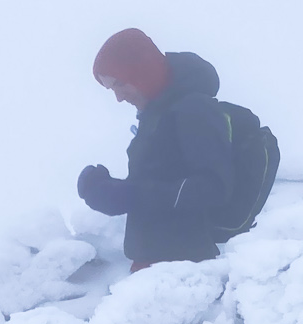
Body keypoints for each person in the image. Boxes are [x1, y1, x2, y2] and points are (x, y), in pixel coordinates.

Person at [75, 28, 279, 269]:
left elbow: (213, 188)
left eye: (120, 84)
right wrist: (110, 191)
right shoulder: (157, 117)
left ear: (142, 72)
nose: (119, 97)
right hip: (157, 264)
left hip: (184, 265)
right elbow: (160, 187)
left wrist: (127, 195)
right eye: (112, 90)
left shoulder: (194, 110)